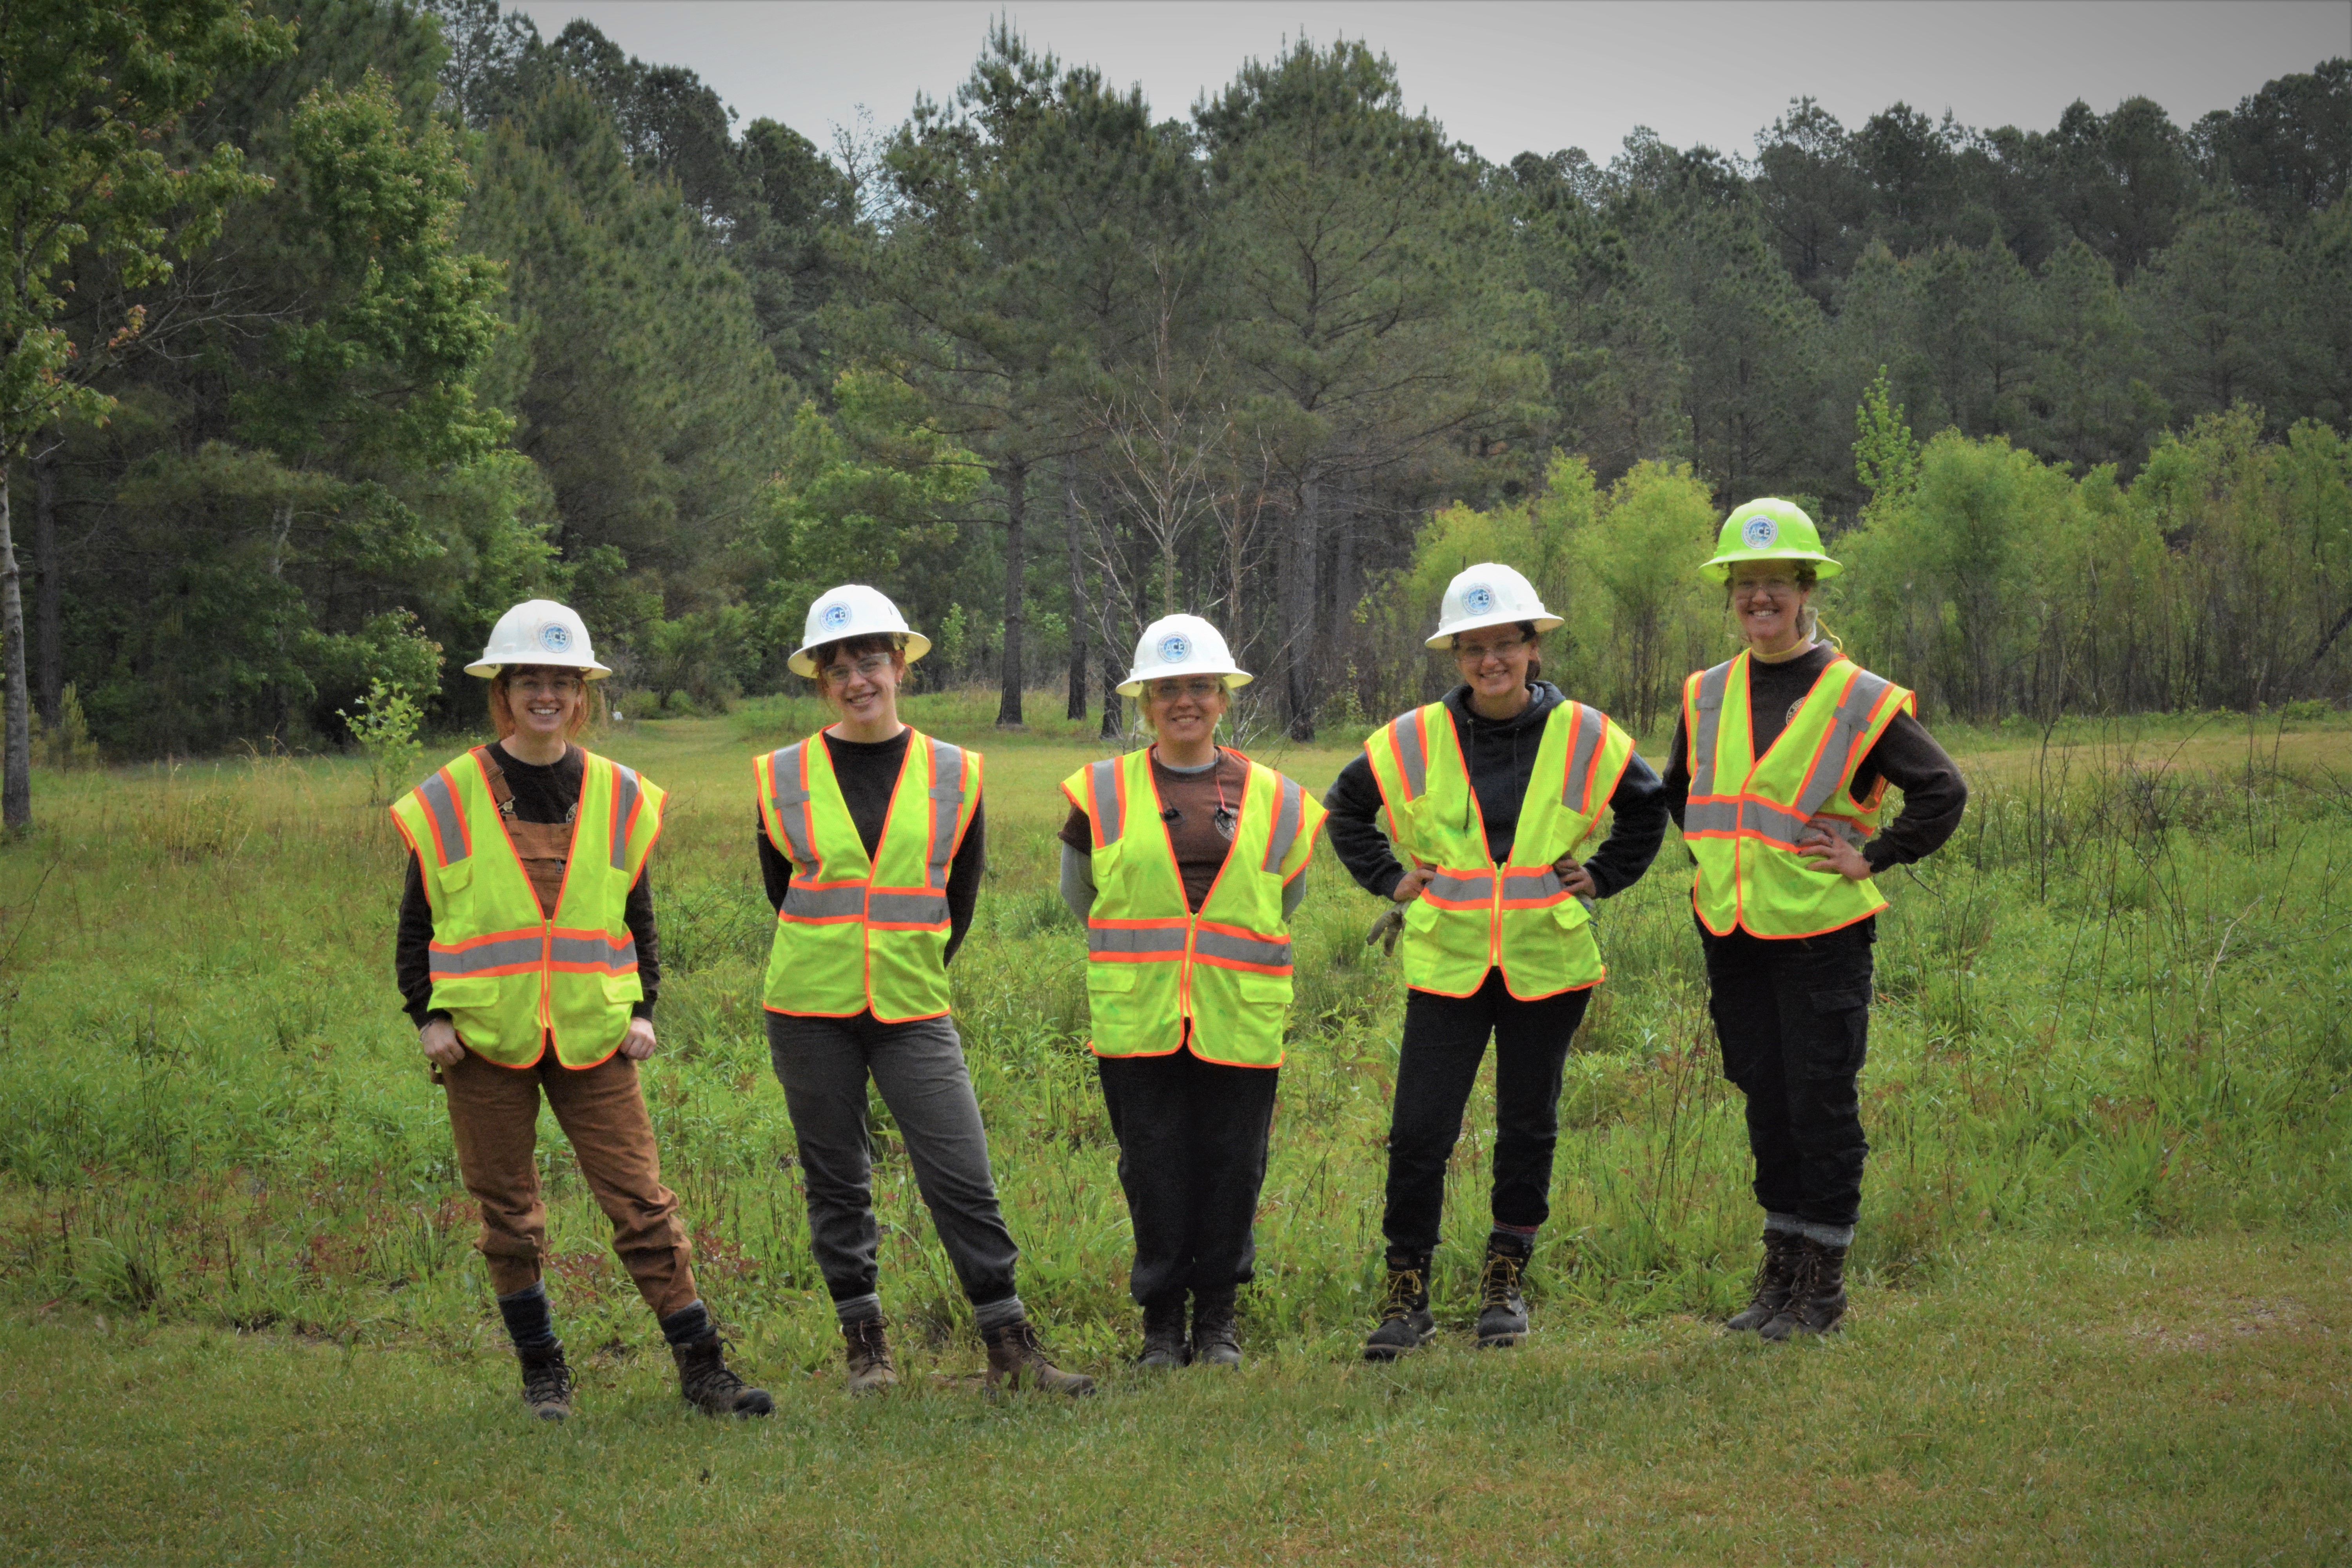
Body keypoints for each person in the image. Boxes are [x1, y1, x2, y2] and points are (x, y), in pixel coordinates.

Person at [391, 600, 771, 1421]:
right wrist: (429, 1014)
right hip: (484, 1038)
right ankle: (543, 1372)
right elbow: (418, 921)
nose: (547, 694)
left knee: (641, 1202)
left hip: (597, 1034)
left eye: (563, 681)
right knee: (510, 1215)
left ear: (582, 693)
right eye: (531, 678)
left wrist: (644, 1005)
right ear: (503, 690)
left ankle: (704, 1369)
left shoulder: (618, 792)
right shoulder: (451, 795)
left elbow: (637, 913)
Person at [755, 584, 1092, 1397]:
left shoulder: (955, 771)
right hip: (807, 1007)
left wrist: (904, 962)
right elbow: (783, 888)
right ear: (821, 681)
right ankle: (866, 1345)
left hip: (913, 1004)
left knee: (962, 1170)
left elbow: (960, 898)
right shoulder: (782, 774)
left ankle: (1010, 1342)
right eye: (836, 667)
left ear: (899, 663)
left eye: (869, 659)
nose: (855, 678)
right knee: (837, 1175)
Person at [1325, 564, 1668, 1360]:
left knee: (1528, 1122)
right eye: (1473, 647)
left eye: (1505, 643)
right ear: (1455, 656)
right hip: (1448, 961)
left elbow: (1647, 804)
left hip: (1547, 960)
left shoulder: (1583, 730)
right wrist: (1389, 877)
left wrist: (1607, 874)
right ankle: (1406, 1290)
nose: (1491, 660)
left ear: (1532, 646)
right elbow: (1345, 807)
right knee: (1419, 1130)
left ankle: (1504, 1281)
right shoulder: (1413, 737)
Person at [1665, 499, 1966, 1339]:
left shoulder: (1857, 696)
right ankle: (1781, 1272)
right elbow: (1680, 791)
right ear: (1732, 593)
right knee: (1766, 1098)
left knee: (1820, 1104)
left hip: (1823, 938)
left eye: (1778, 585)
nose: (1761, 599)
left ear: (1806, 592)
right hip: (1731, 931)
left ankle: (1823, 1287)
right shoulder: (1708, 691)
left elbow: (1944, 790)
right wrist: (1712, 858)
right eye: (1746, 584)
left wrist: (1873, 856)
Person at [1056, 615, 1325, 1369]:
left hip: (1239, 1017)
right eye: (1168, 688)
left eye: (1200, 686)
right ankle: (1161, 1327)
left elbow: (1285, 897)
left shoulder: (1278, 796)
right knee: (1153, 1169)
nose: (1185, 701)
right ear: (1145, 701)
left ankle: (1218, 1324)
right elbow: (1081, 898)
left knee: (1235, 1167)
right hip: (1138, 1019)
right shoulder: (1101, 792)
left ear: (1222, 698)